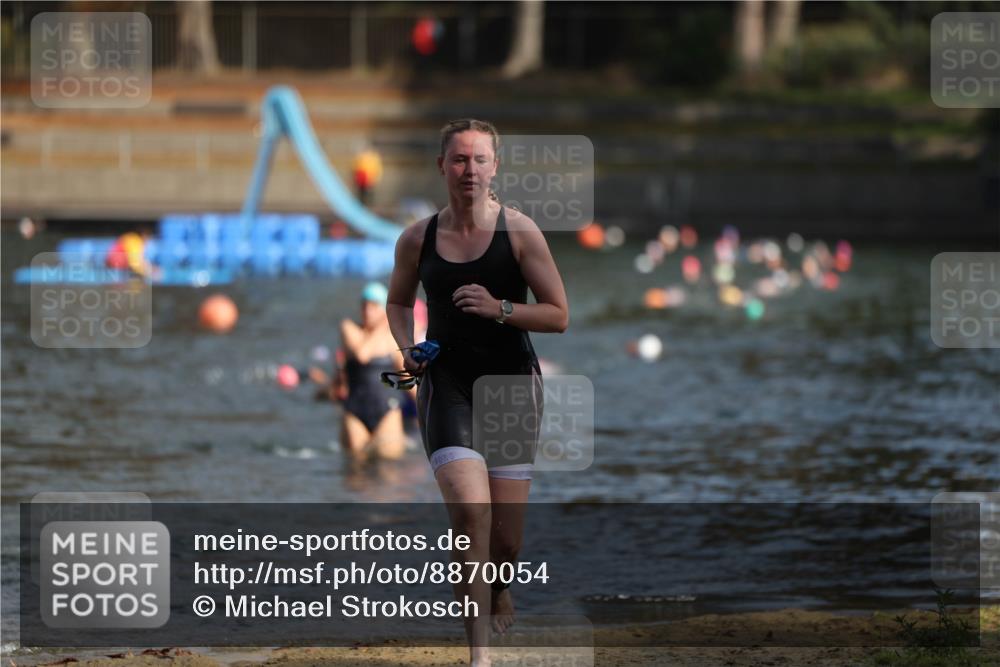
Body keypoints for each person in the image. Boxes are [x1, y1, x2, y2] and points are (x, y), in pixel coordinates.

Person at [386, 119, 569, 666]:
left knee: (505, 544)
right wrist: (407, 345)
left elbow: (559, 315)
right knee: (470, 514)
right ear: (442, 166)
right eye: (459, 160)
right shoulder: (417, 238)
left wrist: (501, 309)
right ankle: (479, 657)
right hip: (447, 385)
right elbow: (397, 303)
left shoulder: (521, 233)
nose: (469, 170)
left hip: (512, 387)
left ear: (495, 166)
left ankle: (502, 581)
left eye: (479, 160)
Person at [334, 281, 408, 461]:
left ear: (383, 309)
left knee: (389, 470)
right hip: (355, 411)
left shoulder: (392, 338)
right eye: (364, 305)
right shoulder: (350, 328)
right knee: (356, 469)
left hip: (387, 410)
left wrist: (426, 406)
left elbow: (405, 376)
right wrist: (384, 325)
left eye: (374, 306)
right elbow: (362, 354)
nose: (368, 311)